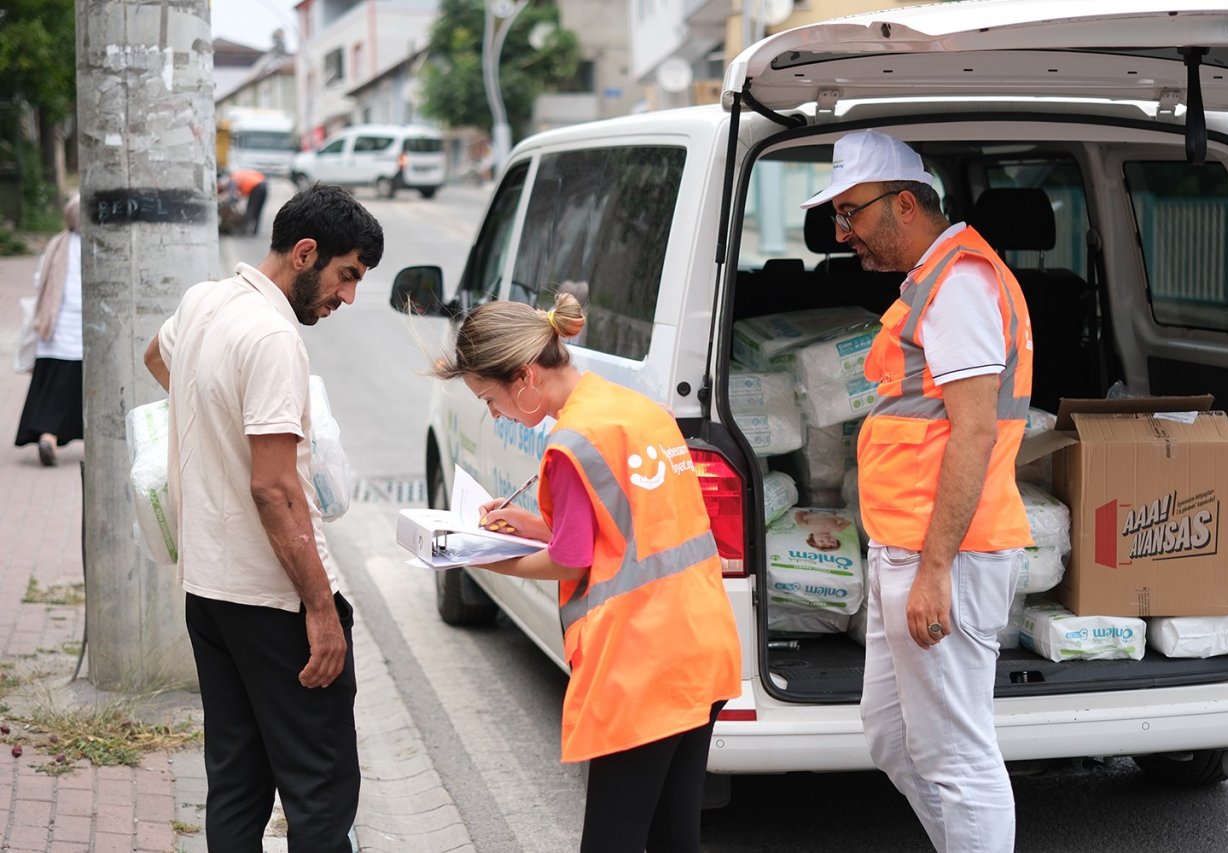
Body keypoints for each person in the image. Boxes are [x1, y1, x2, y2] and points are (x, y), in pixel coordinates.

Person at [432, 292, 741, 853]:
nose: (494, 415)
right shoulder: (636, 409)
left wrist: (479, 555)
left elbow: (571, 559)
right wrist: (532, 525)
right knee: (675, 839)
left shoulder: (572, 443)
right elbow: (626, 531)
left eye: (490, 399)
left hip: (641, 665)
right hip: (701, 644)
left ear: (525, 377)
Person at [800, 130, 1033, 852]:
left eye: (851, 214)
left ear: (905, 203)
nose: (843, 234)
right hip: (907, 547)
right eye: (837, 216)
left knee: (956, 755)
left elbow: (974, 432)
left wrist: (935, 567)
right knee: (895, 737)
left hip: (947, 555)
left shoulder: (959, 285)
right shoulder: (934, 282)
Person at [142, 184, 384, 852]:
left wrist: (215, 423)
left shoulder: (205, 301)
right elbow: (274, 490)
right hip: (276, 601)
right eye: (346, 275)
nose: (347, 297)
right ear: (305, 253)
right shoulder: (274, 336)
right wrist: (321, 611)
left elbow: (156, 356)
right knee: (320, 794)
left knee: (237, 783)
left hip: (209, 593)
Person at [14, 193, 82, 467]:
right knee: (82, 393)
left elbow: (38, 280)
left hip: (53, 332)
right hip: (83, 333)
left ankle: (48, 437)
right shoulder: (97, 246)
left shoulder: (56, 245)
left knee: (52, 392)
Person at [230, 168, 269, 236]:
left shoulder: (233, 178)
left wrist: (233, 201)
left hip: (256, 188)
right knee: (258, 209)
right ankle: (255, 230)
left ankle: (245, 228)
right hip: (264, 186)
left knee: (251, 208)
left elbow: (233, 194)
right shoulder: (243, 173)